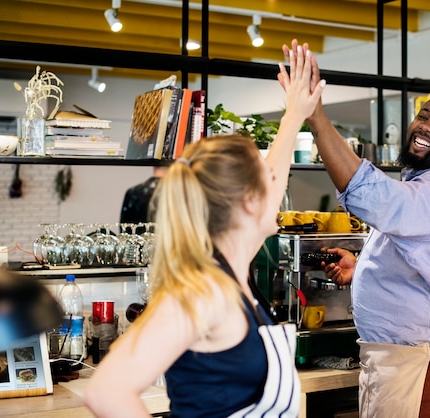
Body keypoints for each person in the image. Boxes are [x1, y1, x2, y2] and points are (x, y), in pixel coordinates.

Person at [83, 46, 325, 417]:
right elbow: (106, 391)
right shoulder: (205, 290)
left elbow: (271, 181)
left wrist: (295, 114)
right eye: (269, 183)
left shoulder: (236, 275)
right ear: (247, 201)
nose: (278, 192)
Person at [279, 40, 430, 418]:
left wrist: (316, 118)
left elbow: (377, 200)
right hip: (400, 357)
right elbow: (416, 258)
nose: (426, 127)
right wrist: (362, 270)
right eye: (424, 116)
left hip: (414, 367)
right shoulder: (427, 184)